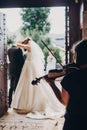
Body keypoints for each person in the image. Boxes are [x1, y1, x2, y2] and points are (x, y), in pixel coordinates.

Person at [11, 37, 65, 119]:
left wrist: (24, 41)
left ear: (28, 42)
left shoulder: (30, 46)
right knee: (26, 84)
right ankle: (26, 104)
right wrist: (25, 40)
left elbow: (18, 43)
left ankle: (32, 104)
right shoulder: (30, 46)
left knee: (30, 84)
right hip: (28, 65)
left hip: (30, 66)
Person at [48, 39, 87, 130]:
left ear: (78, 56)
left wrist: (51, 84)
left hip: (74, 123)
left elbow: (64, 102)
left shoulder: (71, 77)